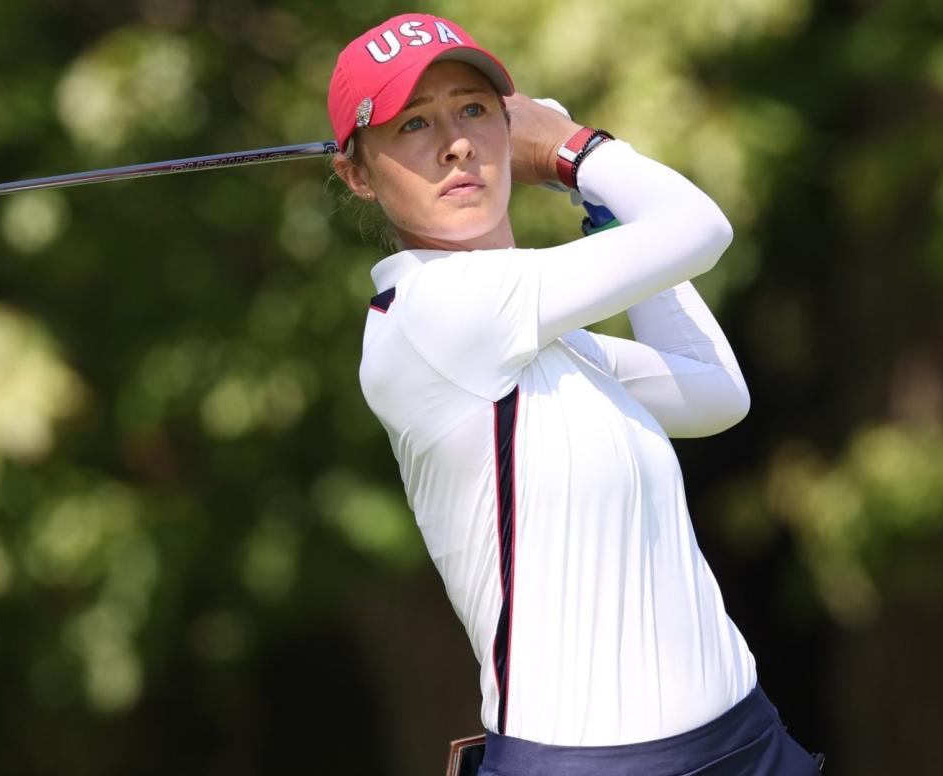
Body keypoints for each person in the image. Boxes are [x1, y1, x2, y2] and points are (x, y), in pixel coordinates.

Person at [327, 13, 824, 776]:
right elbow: (700, 225)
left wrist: (603, 210)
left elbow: (715, 394)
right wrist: (573, 150)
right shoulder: (435, 315)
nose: (456, 144)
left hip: (748, 742)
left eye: (472, 110)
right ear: (357, 174)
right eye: (412, 124)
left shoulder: (550, 343)